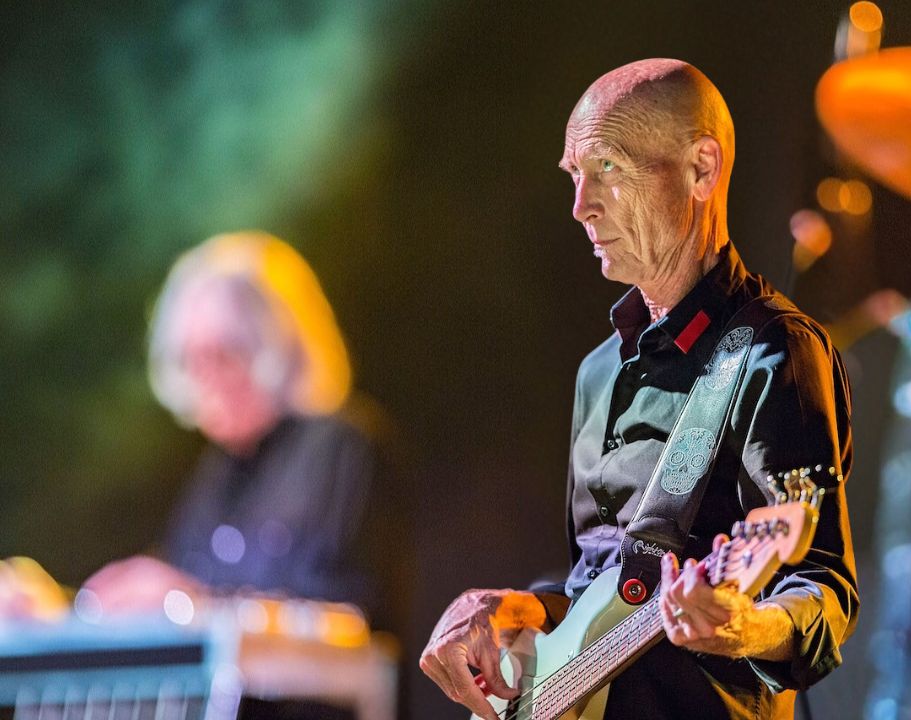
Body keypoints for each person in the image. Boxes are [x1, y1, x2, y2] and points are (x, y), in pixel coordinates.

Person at [419, 59, 858, 720]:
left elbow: (822, 590)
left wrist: (743, 626)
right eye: (576, 176)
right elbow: (605, 584)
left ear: (701, 170)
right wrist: (527, 608)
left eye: (609, 169)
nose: (581, 207)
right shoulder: (600, 370)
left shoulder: (777, 351)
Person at [83, 231, 393, 620]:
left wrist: (190, 599)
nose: (206, 381)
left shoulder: (342, 447)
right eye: (191, 361)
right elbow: (186, 582)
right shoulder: (216, 474)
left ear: (279, 347)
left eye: (224, 355)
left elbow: (340, 614)